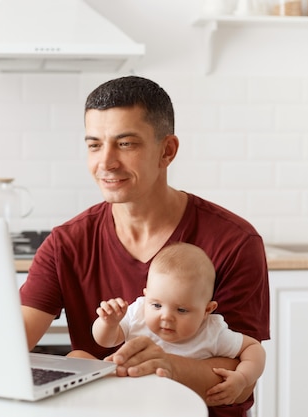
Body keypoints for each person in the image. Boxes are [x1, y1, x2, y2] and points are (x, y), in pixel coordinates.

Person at [19, 75, 269, 417]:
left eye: (125, 144)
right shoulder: (66, 243)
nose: (105, 162)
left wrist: (163, 366)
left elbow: (239, 373)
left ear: (167, 151)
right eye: (94, 144)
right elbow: (11, 345)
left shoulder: (235, 242)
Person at [92, 243, 266, 405]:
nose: (166, 317)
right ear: (146, 296)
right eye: (157, 305)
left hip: (183, 408)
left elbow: (253, 348)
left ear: (207, 310)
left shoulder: (211, 332)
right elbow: (106, 341)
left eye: (181, 310)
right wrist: (109, 323)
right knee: (79, 357)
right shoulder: (138, 313)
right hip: (135, 404)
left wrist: (243, 377)